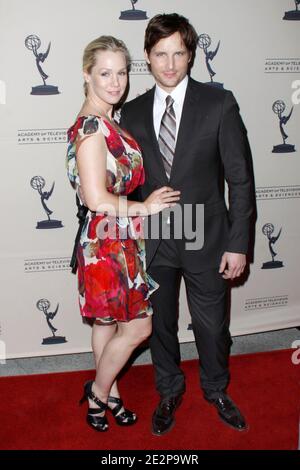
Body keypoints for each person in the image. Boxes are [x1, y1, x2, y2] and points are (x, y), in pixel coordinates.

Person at [120, 13, 254, 435]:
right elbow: (126, 183)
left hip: (208, 235)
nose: (170, 63)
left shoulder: (219, 103)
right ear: (147, 56)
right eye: (161, 53)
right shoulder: (132, 112)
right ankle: (169, 389)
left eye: (179, 52)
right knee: (160, 324)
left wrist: (239, 243)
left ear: (191, 54)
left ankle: (215, 389)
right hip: (155, 238)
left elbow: (240, 177)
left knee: (213, 325)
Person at [66, 35, 180, 432]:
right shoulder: (94, 128)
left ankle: (108, 396)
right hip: (106, 241)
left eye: (122, 72)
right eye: (105, 74)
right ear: (87, 75)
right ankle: (98, 391)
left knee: (107, 325)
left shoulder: (108, 118)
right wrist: (145, 207)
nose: (116, 82)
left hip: (118, 238)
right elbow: (97, 198)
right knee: (139, 328)